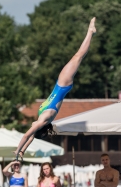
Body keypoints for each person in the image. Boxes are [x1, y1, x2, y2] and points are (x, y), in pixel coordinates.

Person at [14, 17, 96, 160]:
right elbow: (27, 135)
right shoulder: (43, 120)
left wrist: (22, 152)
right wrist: (17, 150)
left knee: (78, 57)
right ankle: (90, 31)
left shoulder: (42, 119)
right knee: (78, 56)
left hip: (61, 84)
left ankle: (90, 32)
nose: (31, 129)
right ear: (38, 128)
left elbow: (31, 137)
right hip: (62, 84)